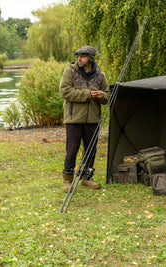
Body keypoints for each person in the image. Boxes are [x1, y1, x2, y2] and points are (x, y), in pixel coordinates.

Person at [59, 46, 110, 192]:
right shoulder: (69, 71)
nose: (79, 59)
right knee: (71, 150)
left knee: (91, 150)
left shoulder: (101, 76)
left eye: (83, 56)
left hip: (93, 120)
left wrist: (102, 96)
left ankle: (87, 178)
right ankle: (67, 181)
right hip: (73, 119)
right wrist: (89, 94)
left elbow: (108, 95)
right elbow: (65, 92)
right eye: (78, 56)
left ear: (91, 59)